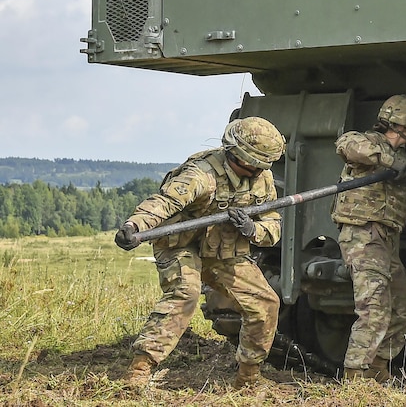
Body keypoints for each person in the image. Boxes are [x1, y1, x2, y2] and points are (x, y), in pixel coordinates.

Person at [114, 116, 286, 389]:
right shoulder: (201, 175)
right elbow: (164, 203)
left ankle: (248, 378)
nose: (256, 172)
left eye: (262, 166)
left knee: (265, 303)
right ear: (235, 154)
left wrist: (252, 229)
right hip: (180, 245)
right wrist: (134, 225)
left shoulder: (262, 181)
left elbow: (273, 224)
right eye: (252, 165)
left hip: (223, 249)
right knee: (186, 293)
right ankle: (140, 370)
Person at [332, 94, 406, 382]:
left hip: (388, 241)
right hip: (363, 236)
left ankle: (377, 369)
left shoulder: (403, 158)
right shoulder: (368, 142)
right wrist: (387, 161)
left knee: (401, 309)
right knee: (373, 308)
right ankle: (355, 378)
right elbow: (345, 145)